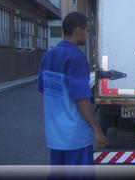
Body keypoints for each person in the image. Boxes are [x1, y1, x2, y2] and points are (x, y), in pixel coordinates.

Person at [38, 12, 106, 166]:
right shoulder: (76, 58)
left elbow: (43, 88)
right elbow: (81, 99)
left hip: (54, 137)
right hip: (75, 138)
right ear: (78, 31)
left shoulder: (48, 56)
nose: (88, 35)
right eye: (87, 30)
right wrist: (97, 129)